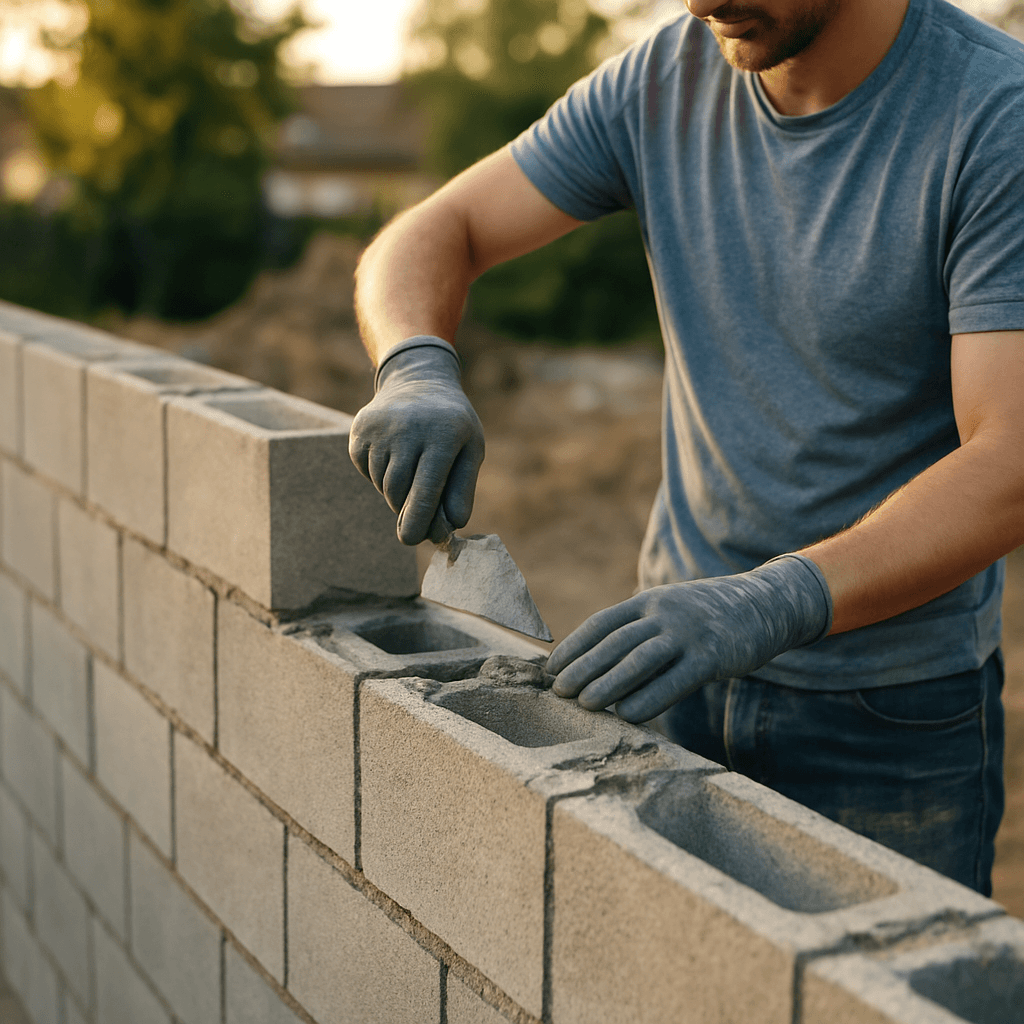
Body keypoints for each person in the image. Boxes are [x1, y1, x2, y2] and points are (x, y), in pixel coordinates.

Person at [348, 0, 1024, 895]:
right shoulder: (664, 77)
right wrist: (415, 365)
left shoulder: (994, 115)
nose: (704, 3)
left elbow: (1008, 461)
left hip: (886, 713)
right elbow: (435, 231)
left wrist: (769, 601)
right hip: (678, 670)